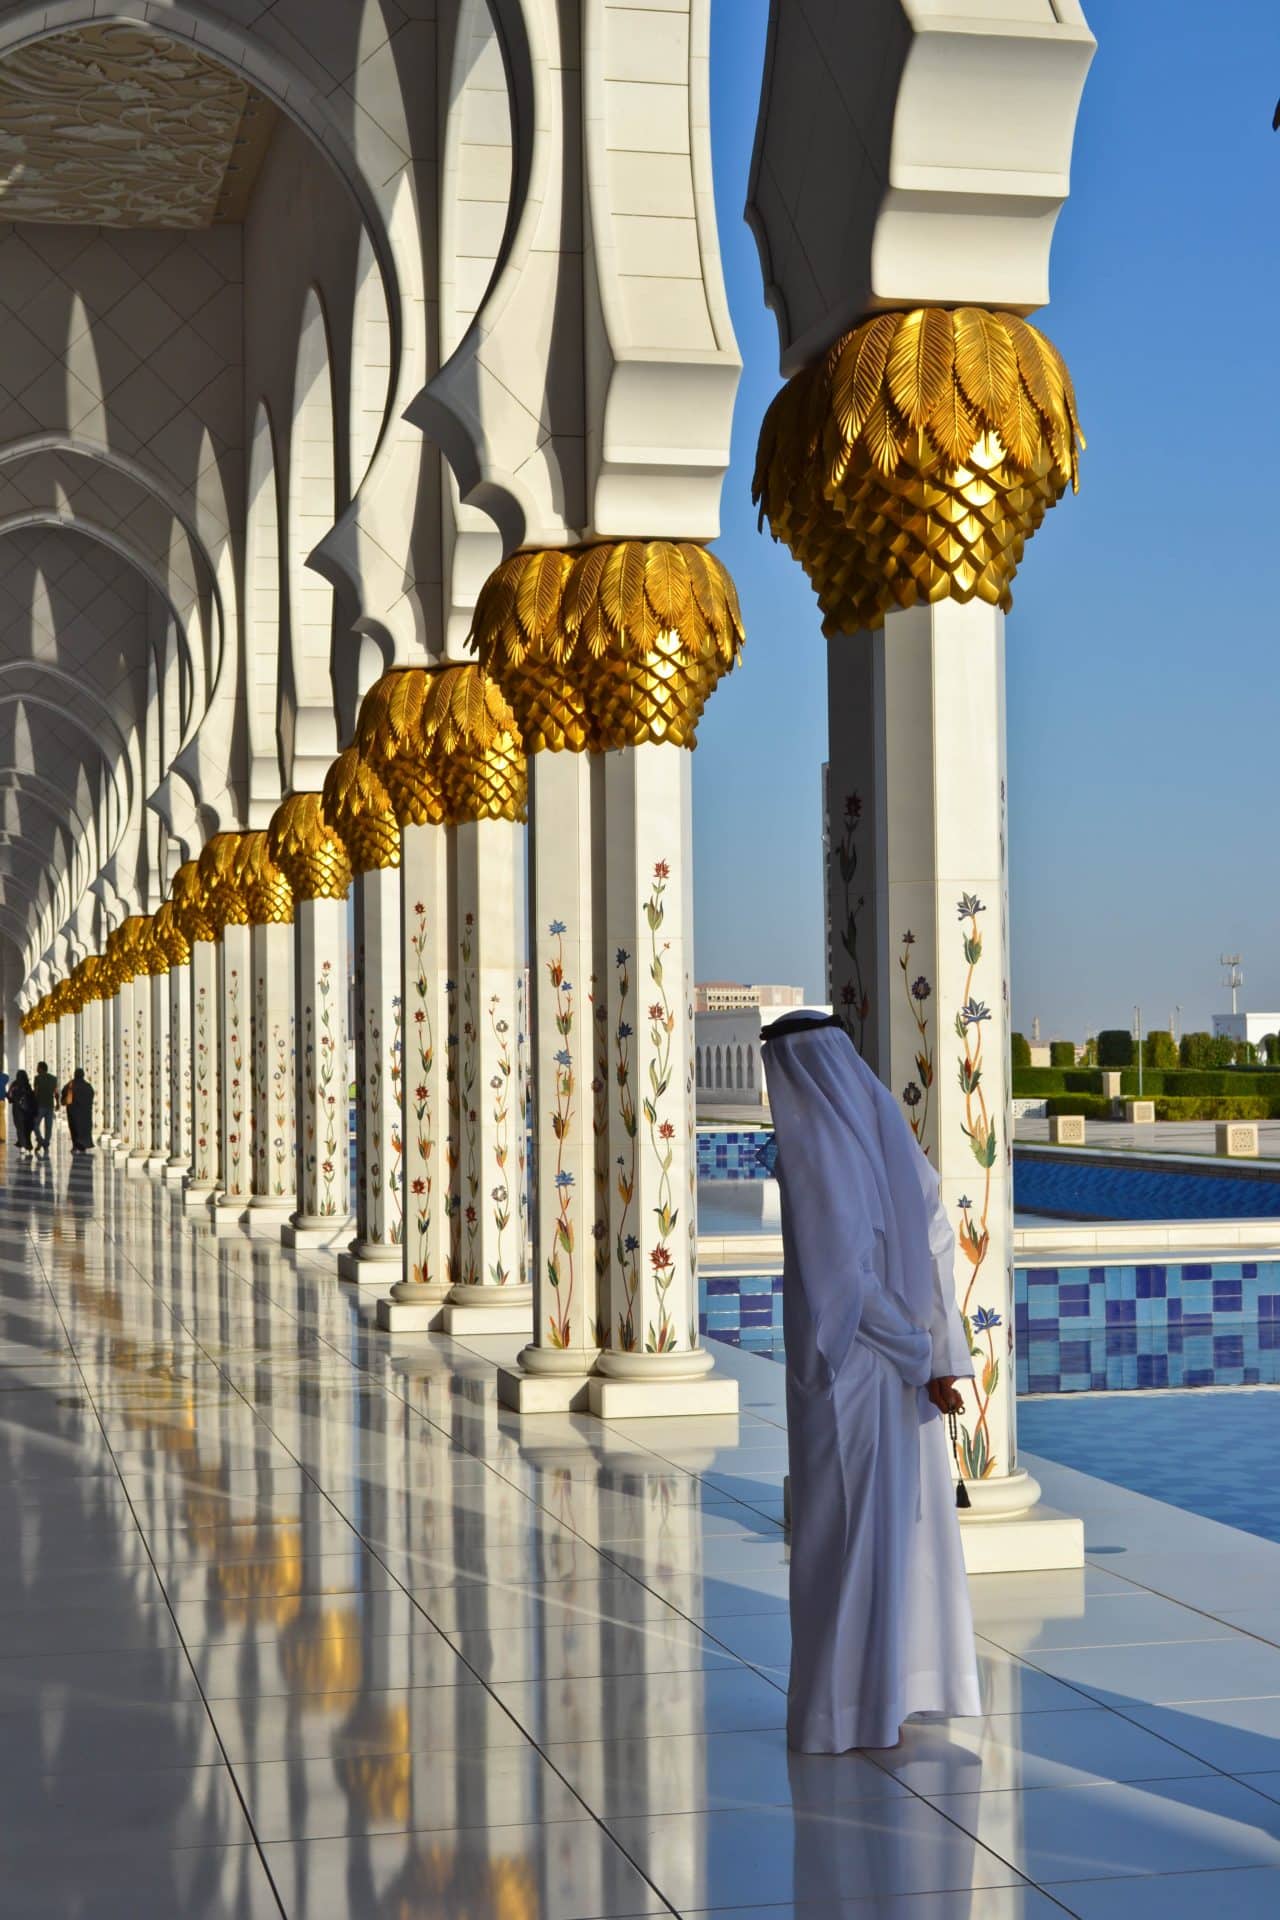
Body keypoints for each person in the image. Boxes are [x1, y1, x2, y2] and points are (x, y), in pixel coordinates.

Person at [761, 1011, 981, 1753]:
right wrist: (939, 1352)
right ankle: (881, 1697)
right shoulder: (872, 1133)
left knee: (846, 1537)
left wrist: (920, 1355)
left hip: (855, 1376)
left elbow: (843, 1289)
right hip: (893, 1368)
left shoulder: (820, 1145)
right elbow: (935, 1237)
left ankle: (841, 1711)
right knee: (881, 1534)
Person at [65, 1069, 94, 1153]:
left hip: (74, 1112)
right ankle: (83, 1145)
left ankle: (76, 1145)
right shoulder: (88, 1086)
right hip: (86, 1113)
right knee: (85, 1129)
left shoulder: (71, 1085)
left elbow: (65, 1095)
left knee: (75, 1128)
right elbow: (91, 1096)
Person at [31, 1060, 57, 1154]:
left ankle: (41, 1141)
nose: (36, 1069)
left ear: (41, 1069)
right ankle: (45, 1143)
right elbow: (56, 1092)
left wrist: (33, 1103)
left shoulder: (37, 1078)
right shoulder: (54, 1078)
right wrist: (57, 1103)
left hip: (40, 1105)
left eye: (37, 1067)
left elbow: (36, 1092)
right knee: (49, 1126)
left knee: (35, 1125)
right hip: (50, 1105)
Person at [7, 1069, 35, 1153]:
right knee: (27, 1127)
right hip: (28, 1110)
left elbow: (10, 1096)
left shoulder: (14, 1084)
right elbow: (32, 1097)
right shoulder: (28, 1085)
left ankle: (22, 1145)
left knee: (20, 1128)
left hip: (17, 1110)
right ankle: (28, 1145)